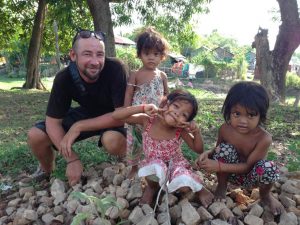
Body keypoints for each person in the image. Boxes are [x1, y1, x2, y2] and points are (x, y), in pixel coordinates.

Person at [27, 29, 128, 186]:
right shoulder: (64, 78)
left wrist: (79, 126)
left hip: (115, 116)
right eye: (87, 54)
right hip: (87, 112)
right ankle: (48, 171)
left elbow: (122, 115)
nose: (95, 61)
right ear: (73, 55)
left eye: (99, 54)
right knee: (36, 135)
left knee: (112, 140)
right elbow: (53, 122)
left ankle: (128, 161)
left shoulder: (116, 68)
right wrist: (71, 159)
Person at [113, 89, 214, 207]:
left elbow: (198, 149)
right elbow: (117, 116)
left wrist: (196, 132)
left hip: (174, 166)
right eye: (176, 106)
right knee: (153, 170)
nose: (177, 113)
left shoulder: (179, 130)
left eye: (184, 115)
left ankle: (200, 189)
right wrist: (142, 108)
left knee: (185, 188)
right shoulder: (147, 120)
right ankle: (151, 188)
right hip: (154, 166)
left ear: (186, 122)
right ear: (166, 104)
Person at [196, 81, 284, 215]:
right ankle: (222, 185)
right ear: (229, 111)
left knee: (269, 167)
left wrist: (218, 166)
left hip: (251, 178)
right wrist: (207, 154)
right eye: (237, 114)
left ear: (261, 115)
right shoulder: (225, 129)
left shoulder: (264, 138)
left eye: (251, 115)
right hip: (228, 174)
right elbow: (218, 149)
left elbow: (248, 166)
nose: (243, 120)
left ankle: (265, 195)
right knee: (224, 149)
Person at [124, 27, 169, 178]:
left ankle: (156, 164)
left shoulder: (162, 75)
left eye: (156, 54)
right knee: (135, 142)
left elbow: (167, 95)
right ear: (139, 55)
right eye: (147, 53)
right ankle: (134, 167)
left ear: (162, 56)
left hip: (156, 117)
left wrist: (166, 110)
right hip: (138, 115)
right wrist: (126, 110)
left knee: (155, 140)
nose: (151, 58)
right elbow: (129, 93)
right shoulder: (135, 74)